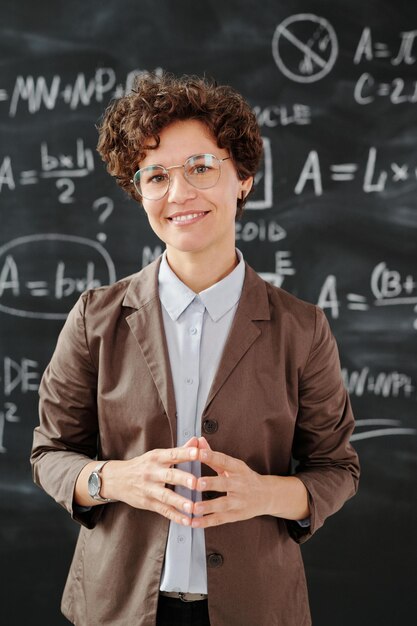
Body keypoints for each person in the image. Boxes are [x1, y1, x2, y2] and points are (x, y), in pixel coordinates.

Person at [31, 72, 360, 626]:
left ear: (243, 178)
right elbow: (49, 454)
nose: (179, 194)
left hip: (257, 608)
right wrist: (115, 479)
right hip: (117, 607)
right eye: (156, 176)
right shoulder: (96, 317)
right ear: (140, 192)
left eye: (201, 168)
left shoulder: (302, 328)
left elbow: (337, 469)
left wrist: (264, 495)